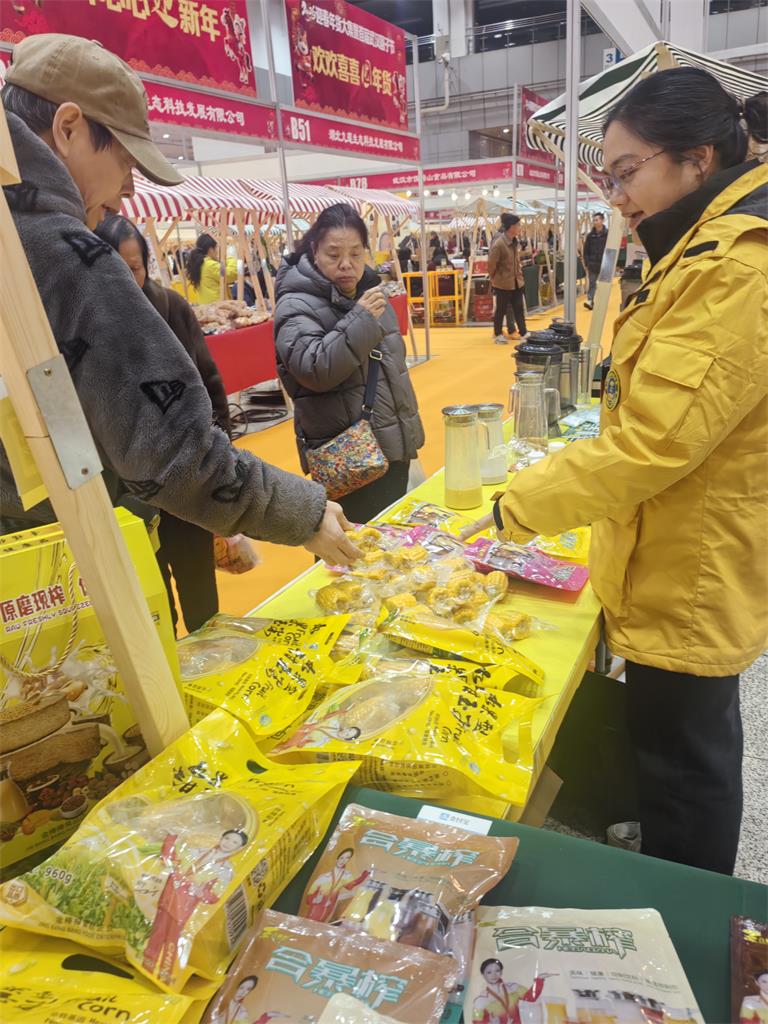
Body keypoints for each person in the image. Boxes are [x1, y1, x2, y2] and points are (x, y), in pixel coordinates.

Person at [463, 68, 768, 875]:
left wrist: (518, 506)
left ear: (698, 160)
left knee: (687, 768)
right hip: (677, 545)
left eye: (628, 171)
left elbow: (654, 444)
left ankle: (688, 908)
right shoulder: (700, 247)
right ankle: (669, 858)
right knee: (676, 751)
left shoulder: (734, 268)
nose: (619, 194)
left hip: (693, 568)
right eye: (611, 176)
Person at [0, 34, 359, 569]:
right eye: (125, 160)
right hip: (42, 564)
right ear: (68, 127)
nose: (128, 190)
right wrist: (302, 513)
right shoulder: (63, 252)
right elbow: (169, 449)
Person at [94, 214, 229, 634]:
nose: (125, 279)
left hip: (185, 477)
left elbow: (209, 384)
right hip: (129, 490)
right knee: (153, 604)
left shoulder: (171, 307)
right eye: (113, 267)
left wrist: (220, 460)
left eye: (133, 268)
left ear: (146, 265)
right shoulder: (88, 324)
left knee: (201, 595)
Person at [274, 203, 424, 524]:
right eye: (334, 254)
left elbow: (393, 371)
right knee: (352, 544)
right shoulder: (296, 304)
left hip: (391, 446)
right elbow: (314, 369)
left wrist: (407, 435)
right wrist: (360, 319)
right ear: (314, 251)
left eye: (356, 253)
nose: (346, 264)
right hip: (349, 457)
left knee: (392, 538)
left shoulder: (370, 293)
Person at [142, 828, 248, 982]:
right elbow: (169, 859)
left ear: (240, 848)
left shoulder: (226, 870)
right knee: (157, 933)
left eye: (234, 842)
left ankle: (165, 974)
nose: (228, 843)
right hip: (169, 896)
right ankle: (146, 966)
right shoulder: (198, 851)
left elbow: (214, 896)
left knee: (172, 939)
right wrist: (171, 837)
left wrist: (199, 891)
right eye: (227, 838)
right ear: (221, 838)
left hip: (185, 906)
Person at [472, 958, 552, 1024]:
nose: (494, 975)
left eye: (497, 970)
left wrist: (539, 980)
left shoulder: (513, 987)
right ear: (483, 975)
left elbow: (530, 998)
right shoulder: (481, 1000)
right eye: (489, 972)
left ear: (501, 972)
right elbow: (477, 1022)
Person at [488, 213, 527, 345]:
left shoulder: (515, 242)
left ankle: (523, 332)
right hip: (503, 283)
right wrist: (496, 278)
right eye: (518, 225)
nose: (520, 227)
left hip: (516, 281)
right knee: (501, 309)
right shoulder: (499, 244)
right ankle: (497, 333)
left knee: (519, 308)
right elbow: (491, 264)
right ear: (511, 227)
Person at [303, 847, 370, 922]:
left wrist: (363, 877)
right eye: (341, 858)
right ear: (337, 859)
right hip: (317, 906)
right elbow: (309, 897)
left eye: (347, 858)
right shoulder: (324, 877)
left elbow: (350, 885)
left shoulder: (346, 876)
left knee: (321, 923)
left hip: (329, 907)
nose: (343, 861)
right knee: (310, 923)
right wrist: (315, 899)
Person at [186, 232, 238, 305]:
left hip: (207, 303)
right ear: (210, 249)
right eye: (217, 247)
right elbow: (231, 274)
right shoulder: (210, 265)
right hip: (217, 305)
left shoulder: (201, 263)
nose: (218, 250)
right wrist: (229, 258)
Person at [582, 211, 608, 309]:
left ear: (602, 220)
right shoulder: (590, 236)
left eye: (597, 220)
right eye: (594, 220)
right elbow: (586, 250)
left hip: (605, 264)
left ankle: (602, 303)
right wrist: (587, 262)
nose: (595, 222)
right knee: (592, 283)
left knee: (603, 284)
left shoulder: (608, 234)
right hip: (592, 264)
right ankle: (590, 301)